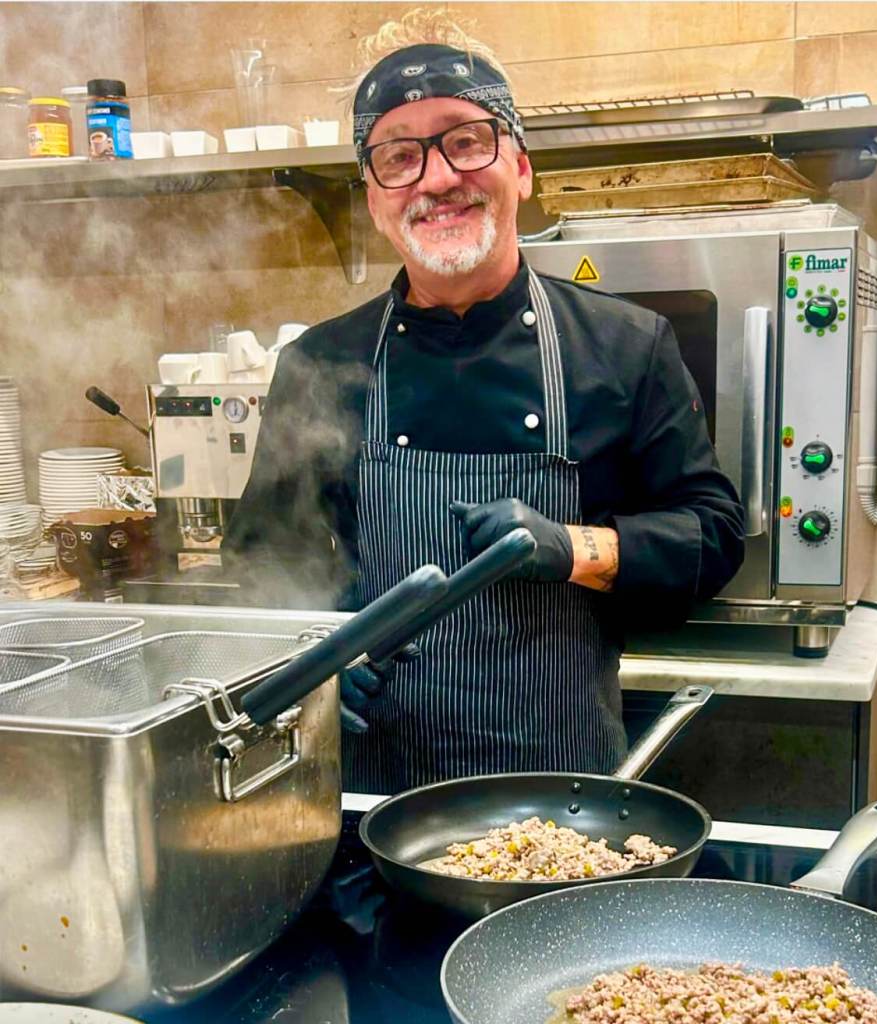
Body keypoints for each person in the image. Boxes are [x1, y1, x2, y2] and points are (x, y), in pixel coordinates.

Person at [225, 13, 744, 794]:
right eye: (399, 156)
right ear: (374, 198)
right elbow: (265, 561)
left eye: (465, 141)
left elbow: (710, 536)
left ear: (522, 167)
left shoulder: (626, 346)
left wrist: (572, 546)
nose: (436, 179)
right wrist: (321, 650)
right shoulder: (320, 364)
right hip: (373, 808)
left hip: (565, 816)